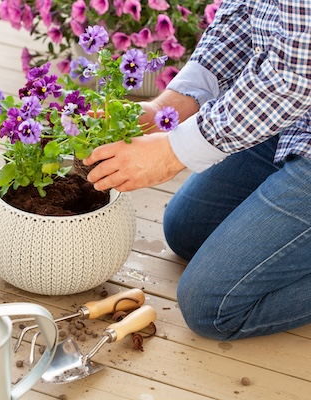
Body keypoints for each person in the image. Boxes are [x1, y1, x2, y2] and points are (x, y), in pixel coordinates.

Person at [83, 0, 311, 341]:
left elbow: (291, 80)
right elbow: (244, 15)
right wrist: (166, 108)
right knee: (187, 230)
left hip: (294, 99)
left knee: (211, 307)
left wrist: (172, 152)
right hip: (297, 120)